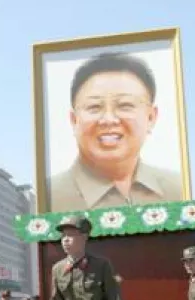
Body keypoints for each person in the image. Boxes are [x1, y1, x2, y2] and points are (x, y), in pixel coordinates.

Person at [48, 52, 183, 212]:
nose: (108, 119)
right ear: (74, 120)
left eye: (125, 105)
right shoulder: (46, 199)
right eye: (94, 107)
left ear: (151, 117)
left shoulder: (179, 191)